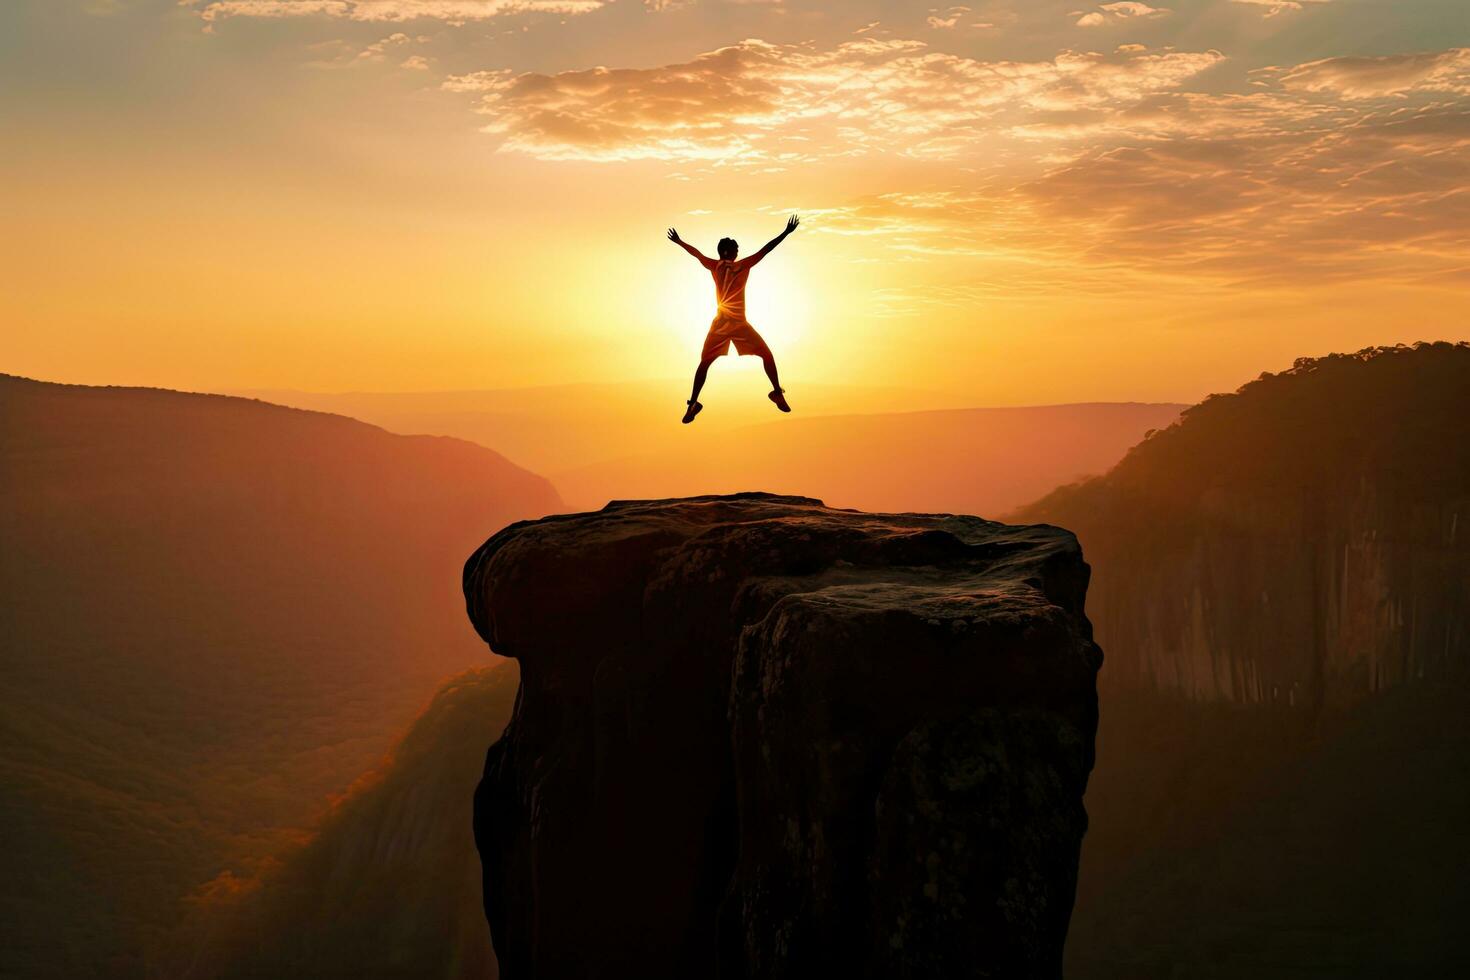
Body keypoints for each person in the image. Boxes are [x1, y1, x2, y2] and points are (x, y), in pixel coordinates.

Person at [667, 215, 799, 424]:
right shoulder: (743, 265)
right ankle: (776, 392)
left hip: (720, 324)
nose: (738, 253)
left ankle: (693, 402)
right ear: (733, 252)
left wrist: (679, 241)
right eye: (737, 250)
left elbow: (696, 254)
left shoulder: (715, 266)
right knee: (766, 355)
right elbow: (766, 249)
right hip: (739, 324)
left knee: (704, 364)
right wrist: (786, 232)